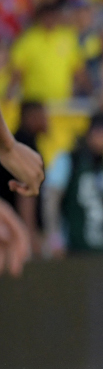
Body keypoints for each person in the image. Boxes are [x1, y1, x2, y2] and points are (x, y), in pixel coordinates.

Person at [42, 111, 103, 256]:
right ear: (89, 133)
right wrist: (54, 237)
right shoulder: (69, 160)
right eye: (99, 133)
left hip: (100, 249)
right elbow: (51, 200)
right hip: (71, 248)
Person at [0, 105, 43, 276]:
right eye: (42, 114)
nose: (46, 119)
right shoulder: (25, 141)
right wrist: (29, 233)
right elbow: (25, 195)